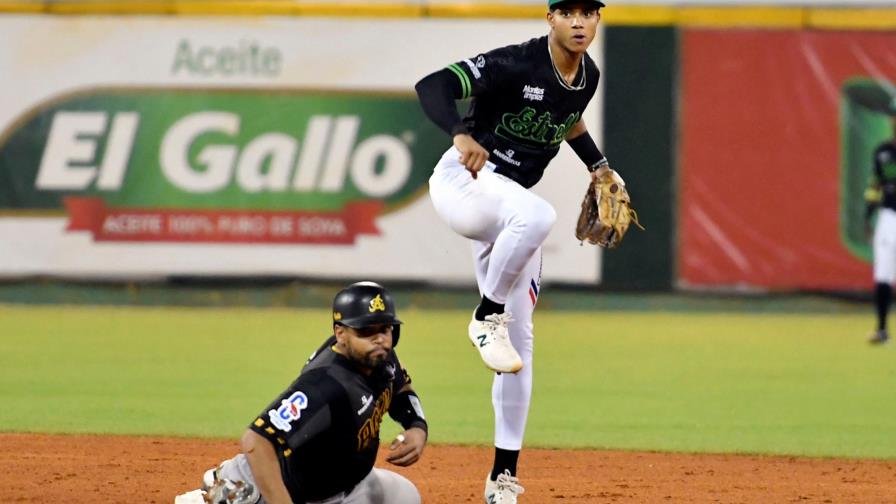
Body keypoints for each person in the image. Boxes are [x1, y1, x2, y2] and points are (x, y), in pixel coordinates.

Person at [414, 0, 609, 501]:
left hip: (508, 208)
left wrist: (599, 166)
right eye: (568, 12)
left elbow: (567, 120)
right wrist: (459, 134)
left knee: (518, 353)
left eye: (589, 12)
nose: (579, 21)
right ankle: (485, 314)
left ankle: (501, 479)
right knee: (540, 217)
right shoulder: (516, 62)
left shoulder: (588, 76)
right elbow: (431, 85)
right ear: (551, 19)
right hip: (465, 183)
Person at [183, 281, 428, 504]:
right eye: (365, 331)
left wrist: (416, 426)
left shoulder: (379, 357)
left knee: (405, 497)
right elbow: (256, 439)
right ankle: (223, 490)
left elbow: (401, 387)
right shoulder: (324, 386)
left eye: (385, 329)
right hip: (278, 490)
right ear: (341, 333)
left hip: (344, 488)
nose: (379, 339)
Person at [865, 117, 896, 345]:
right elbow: (875, 184)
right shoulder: (883, 152)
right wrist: (868, 214)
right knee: (883, 274)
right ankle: (882, 329)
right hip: (888, 217)